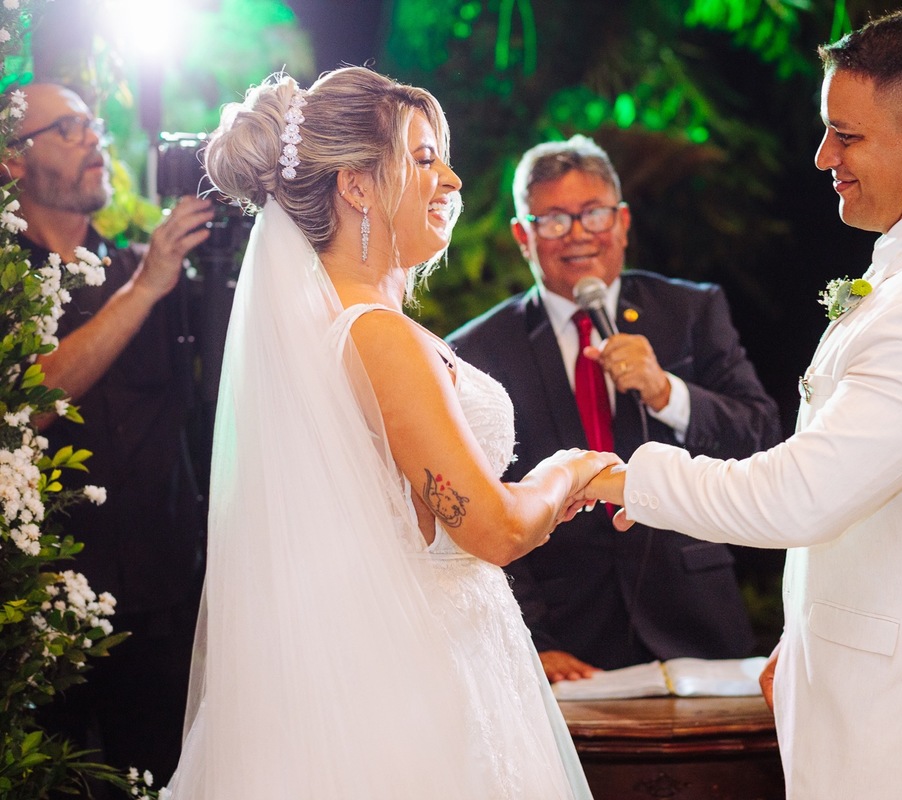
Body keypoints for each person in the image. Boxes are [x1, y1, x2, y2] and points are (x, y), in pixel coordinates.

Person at [582, 8, 902, 797]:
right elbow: (896, 500)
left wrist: (628, 479)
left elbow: (803, 493)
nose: (822, 157)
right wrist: (808, 638)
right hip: (890, 688)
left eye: (846, 135)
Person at [166, 67, 614, 798]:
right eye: (425, 158)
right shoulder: (377, 337)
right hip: (418, 677)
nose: (452, 180)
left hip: (384, 660)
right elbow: (495, 530)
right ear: (357, 186)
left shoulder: (329, 331)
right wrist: (571, 469)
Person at [448, 134, 779, 682]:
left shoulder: (691, 311)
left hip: (697, 624)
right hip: (568, 641)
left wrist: (666, 392)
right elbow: (476, 506)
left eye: (594, 214)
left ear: (622, 222)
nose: (578, 234)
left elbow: (762, 436)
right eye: (554, 220)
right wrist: (532, 643)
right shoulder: (478, 350)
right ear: (523, 235)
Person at [4, 83, 213, 788]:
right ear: (12, 160)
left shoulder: (145, 266)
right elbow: (23, 405)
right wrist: (144, 289)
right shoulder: (13, 286)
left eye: (93, 123)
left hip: (165, 609)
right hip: (44, 624)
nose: (94, 137)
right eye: (68, 128)